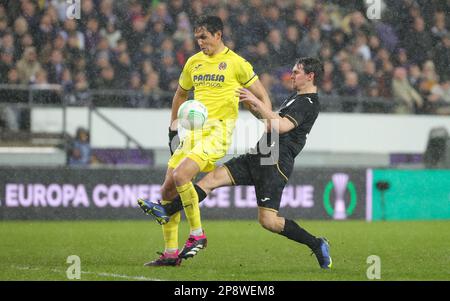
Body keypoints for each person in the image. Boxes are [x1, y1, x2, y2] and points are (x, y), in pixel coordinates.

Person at [139, 57, 332, 269]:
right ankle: (168, 213)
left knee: (268, 221)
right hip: (259, 155)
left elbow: (282, 126)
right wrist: (251, 105)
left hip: (274, 164)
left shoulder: (309, 102)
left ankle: (317, 243)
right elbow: (269, 124)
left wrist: (258, 102)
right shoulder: (295, 98)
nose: (292, 75)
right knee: (210, 179)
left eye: (296, 72)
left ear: (310, 76)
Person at [138, 15, 271, 266]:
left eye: (204, 37)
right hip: (193, 133)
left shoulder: (237, 63)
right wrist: (174, 127)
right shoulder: (193, 63)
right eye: (197, 37)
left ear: (218, 35)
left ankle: (197, 235)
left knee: (181, 177)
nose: (200, 42)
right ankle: (169, 254)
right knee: (167, 188)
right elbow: (180, 94)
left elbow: (264, 98)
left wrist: (257, 110)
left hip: (219, 132)